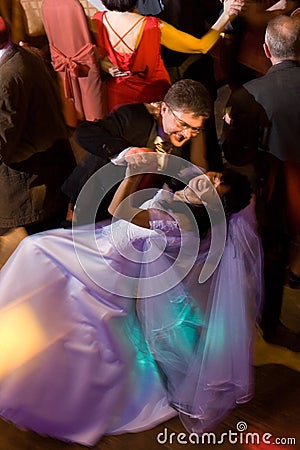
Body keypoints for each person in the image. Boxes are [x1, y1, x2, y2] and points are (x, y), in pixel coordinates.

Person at [0, 154, 262, 445]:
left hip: (107, 264)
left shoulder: (178, 221)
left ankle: (45, 396)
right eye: (216, 177)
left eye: (214, 189)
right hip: (98, 245)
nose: (208, 180)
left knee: (36, 252)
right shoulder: (181, 198)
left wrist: (132, 173)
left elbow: (118, 210)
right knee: (40, 268)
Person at [220, 14, 300, 350]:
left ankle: (271, 322)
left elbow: (236, 156)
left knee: (274, 254)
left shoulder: (247, 97)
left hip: (279, 189)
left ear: (266, 49)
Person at [62, 78, 214, 222]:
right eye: (182, 124)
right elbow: (84, 133)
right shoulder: (134, 117)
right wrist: (126, 152)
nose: (187, 134)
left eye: (195, 129)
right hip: (89, 200)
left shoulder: (188, 141)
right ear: (164, 109)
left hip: (131, 213)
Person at [92, 0, 245, 112]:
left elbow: (100, 54)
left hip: (122, 97)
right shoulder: (150, 24)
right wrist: (226, 16)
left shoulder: (98, 20)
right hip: (153, 95)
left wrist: (107, 66)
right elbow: (201, 46)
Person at [0, 17, 76, 238]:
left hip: (34, 185)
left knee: (47, 245)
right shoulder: (25, 55)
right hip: (49, 175)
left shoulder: (6, 80)